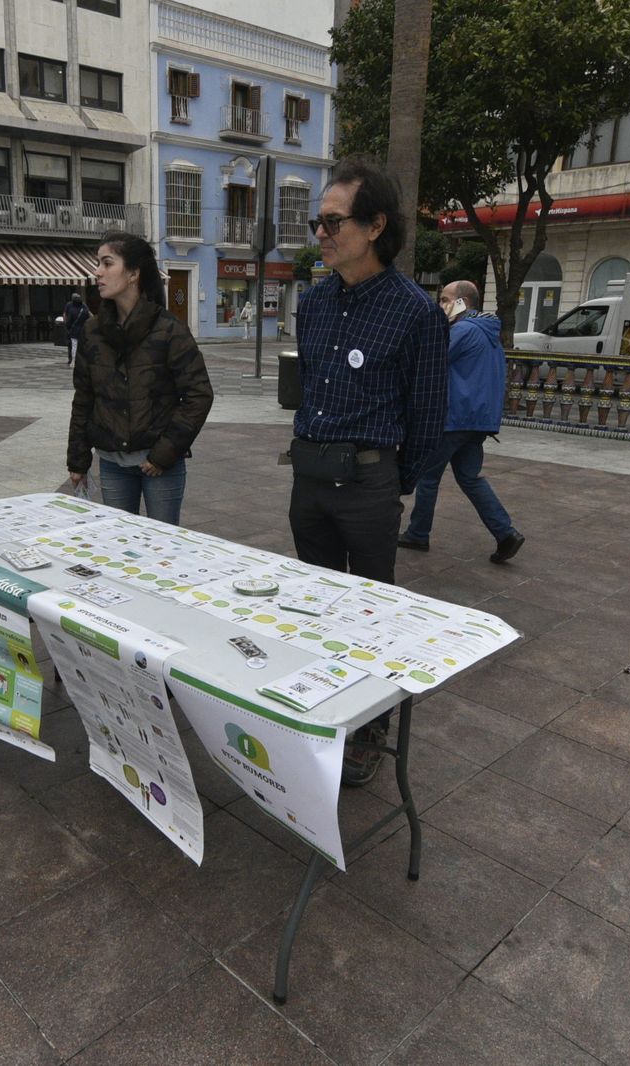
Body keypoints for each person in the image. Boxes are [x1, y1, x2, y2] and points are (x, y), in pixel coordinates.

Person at [288, 157, 447, 786]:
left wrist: (389, 480)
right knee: (315, 605)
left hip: (368, 483)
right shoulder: (317, 301)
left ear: (376, 225)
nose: (321, 233)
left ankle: (369, 729)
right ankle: (323, 711)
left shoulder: (414, 312)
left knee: (371, 613)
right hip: (309, 479)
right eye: (317, 222)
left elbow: (429, 416)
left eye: (333, 221)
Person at [67, 232, 213, 525]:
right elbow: (84, 397)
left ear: (133, 273)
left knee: (162, 546)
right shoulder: (92, 331)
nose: (98, 272)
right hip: (111, 462)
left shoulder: (169, 329)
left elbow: (198, 394)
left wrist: (164, 453)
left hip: (159, 465)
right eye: (98, 264)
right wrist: (78, 460)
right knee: (120, 543)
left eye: (107, 263)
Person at [398, 280, 524, 563]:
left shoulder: (463, 330)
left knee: (428, 476)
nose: (440, 305)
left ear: (461, 302)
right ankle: (506, 533)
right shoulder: (489, 333)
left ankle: (418, 534)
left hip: (455, 417)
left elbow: (429, 361)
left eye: (444, 299)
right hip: (478, 421)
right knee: (469, 477)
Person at [60, 292, 89, 366]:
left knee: (74, 345)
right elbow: (89, 316)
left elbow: (66, 317)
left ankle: (73, 360)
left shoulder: (70, 307)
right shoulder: (84, 307)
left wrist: (66, 324)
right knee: (81, 345)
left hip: (73, 329)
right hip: (83, 329)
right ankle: (81, 360)